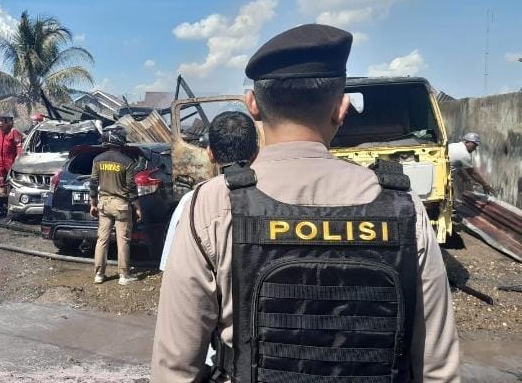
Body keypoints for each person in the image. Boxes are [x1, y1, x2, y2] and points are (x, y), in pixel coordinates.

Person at [151, 24, 460, 383]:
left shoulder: (212, 205)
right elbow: (437, 369)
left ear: (252, 105)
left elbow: (175, 369)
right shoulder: (402, 208)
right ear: (341, 108)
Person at [159, 111, 259, 271]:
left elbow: (174, 268)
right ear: (256, 152)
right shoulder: (276, 193)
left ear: (210, 153)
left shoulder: (192, 201)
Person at [89, 126, 141, 285]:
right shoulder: (127, 162)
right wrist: (137, 207)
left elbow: (93, 183)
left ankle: (99, 275)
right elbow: (131, 188)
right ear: (119, 140)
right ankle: (124, 276)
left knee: (102, 240)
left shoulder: (97, 160)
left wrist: (93, 204)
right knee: (123, 241)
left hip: (103, 204)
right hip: (121, 206)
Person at [448, 132, 495, 198]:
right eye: (474, 145)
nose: (474, 148)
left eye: (476, 146)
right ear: (467, 142)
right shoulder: (464, 154)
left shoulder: (453, 145)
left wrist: (464, 176)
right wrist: (485, 185)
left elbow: (453, 164)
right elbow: (473, 173)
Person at [0, 115, 23, 197]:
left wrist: (18, 158)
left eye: (2, 126)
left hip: (10, 158)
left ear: (7, 124)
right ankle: (2, 194)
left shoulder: (13, 132)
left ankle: (13, 194)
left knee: (12, 177)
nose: (0, 127)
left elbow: (19, 146)